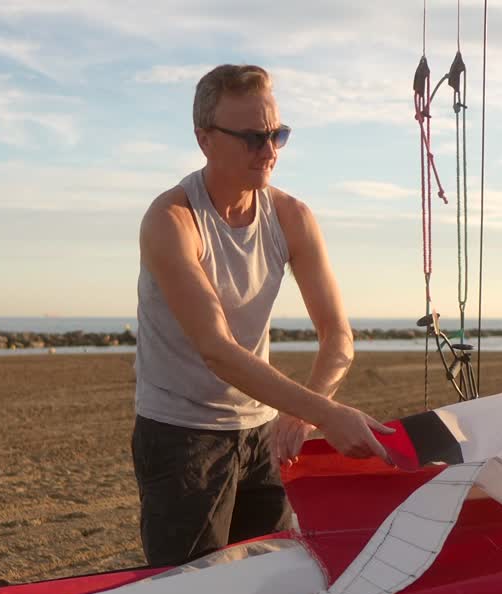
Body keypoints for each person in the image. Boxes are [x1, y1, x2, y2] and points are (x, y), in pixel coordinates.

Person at [132, 64, 395, 567]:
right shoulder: (172, 221)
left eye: (278, 134)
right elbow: (217, 349)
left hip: (263, 432)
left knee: (272, 579)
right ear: (204, 139)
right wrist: (328, 415)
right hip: (181, 435)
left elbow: (338, 337)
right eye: (253, 138)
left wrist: (304, 412)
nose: (269, 151)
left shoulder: (292, 216)